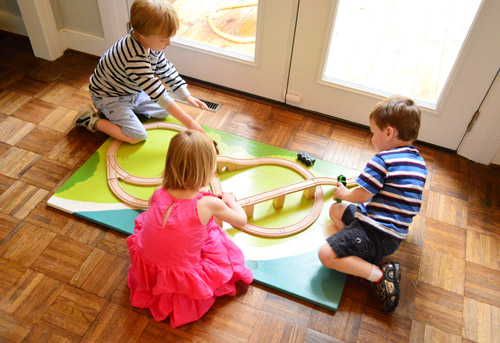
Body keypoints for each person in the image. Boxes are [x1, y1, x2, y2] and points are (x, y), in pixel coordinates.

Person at [126, 129, 253, 327]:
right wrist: (230, 200)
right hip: (181, 274)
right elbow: (241, 220)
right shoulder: (208, 203)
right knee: (218, 239)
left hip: (148, 264)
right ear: (207, 171)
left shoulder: (160, 192)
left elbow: (157, 206)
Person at [318, 95, 427, 313]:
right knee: (335, 210)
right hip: (391, 232)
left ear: (388, 133)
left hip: (374, 231)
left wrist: (345, 193)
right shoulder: (418, 161)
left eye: (373, 132)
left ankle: (378, 275)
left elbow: (363, 195)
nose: (371, 138)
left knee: (325, 255)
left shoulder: (382, 159)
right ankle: (362, 255)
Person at [75, 0, 208, 144]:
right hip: (110, 97)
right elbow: (157, 93)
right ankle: (91, 120)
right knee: (137, 136)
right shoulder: (133, 58)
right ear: (144, 35)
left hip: (132, 92)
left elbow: (165, 68)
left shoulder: (149, 44)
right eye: (164, 40)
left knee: (164, 111)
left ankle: (127, 112)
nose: (169, 43)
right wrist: (191, 123)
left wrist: (185, 95)